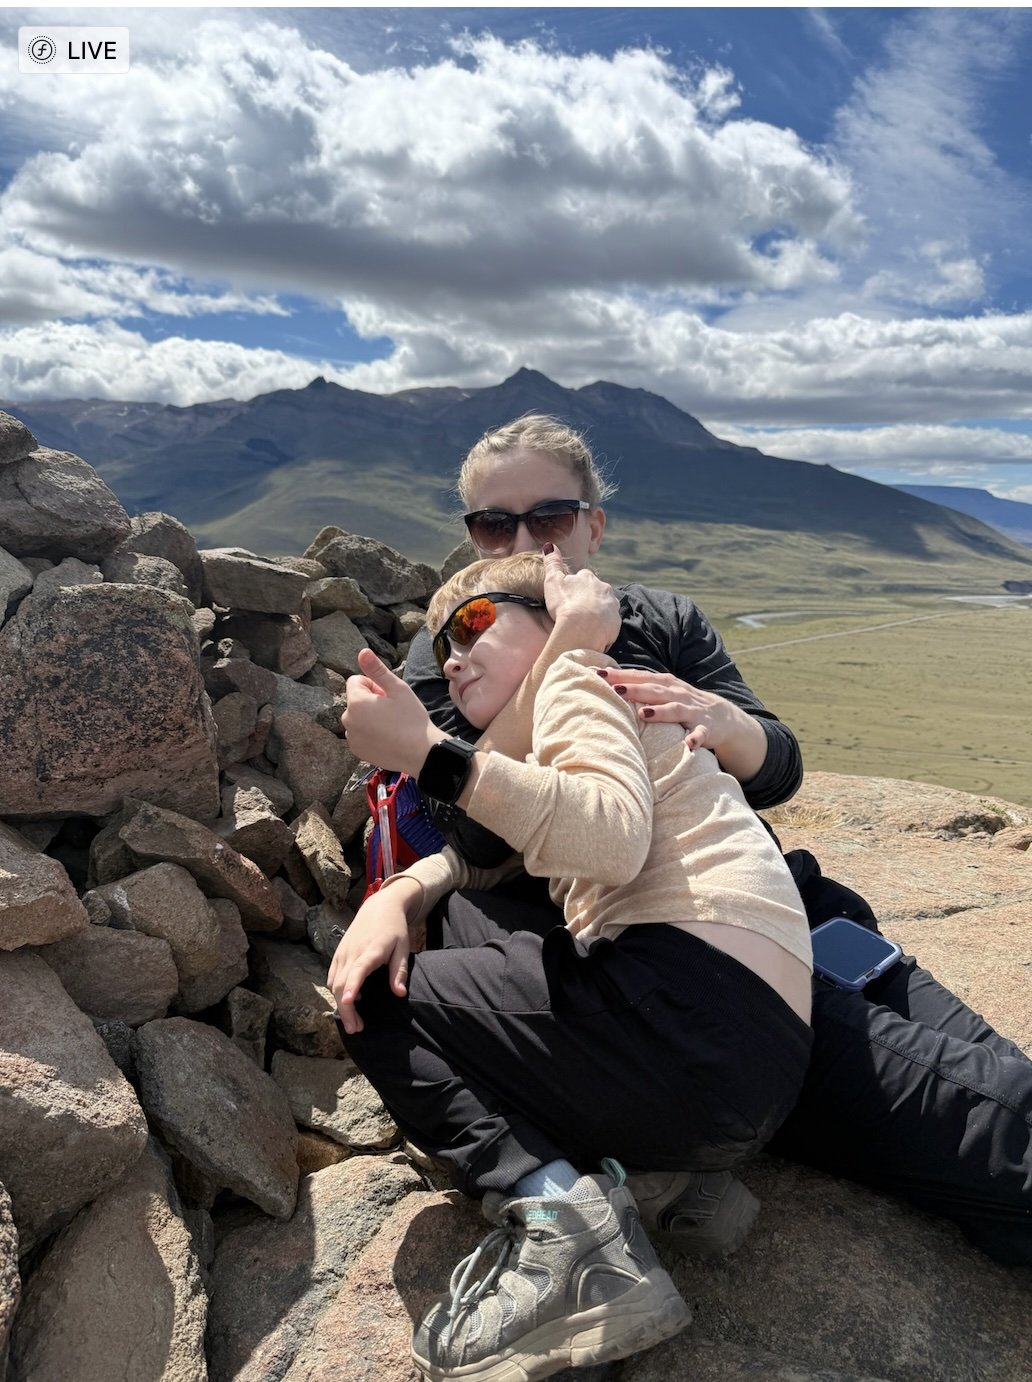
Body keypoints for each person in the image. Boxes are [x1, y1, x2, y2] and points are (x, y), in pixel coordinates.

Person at [349, 412, 1031, 1270]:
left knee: (989, 1068)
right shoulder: (459, 639)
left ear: (594, 525)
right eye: (493, 524)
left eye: (550, 518)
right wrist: (568, 646)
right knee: (982, 1132)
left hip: (776, 902)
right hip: (645, 955)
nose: (523, 540)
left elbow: (777, 767)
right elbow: (474, 824)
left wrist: (727, 725)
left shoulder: (661, 618)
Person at [331, 549, 814, 1382]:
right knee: (474, 924)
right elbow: (494, 854)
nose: (452, 653)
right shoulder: (595, 703)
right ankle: (656, 1181)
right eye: (443, 641)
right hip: (744, 1061)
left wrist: (430, 754)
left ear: (552, 625)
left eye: (477, 621)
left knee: (374, 992)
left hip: (684, 1004)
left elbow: (610, 839)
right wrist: (404, 892)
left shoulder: (580, 679)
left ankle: (561, 1219)